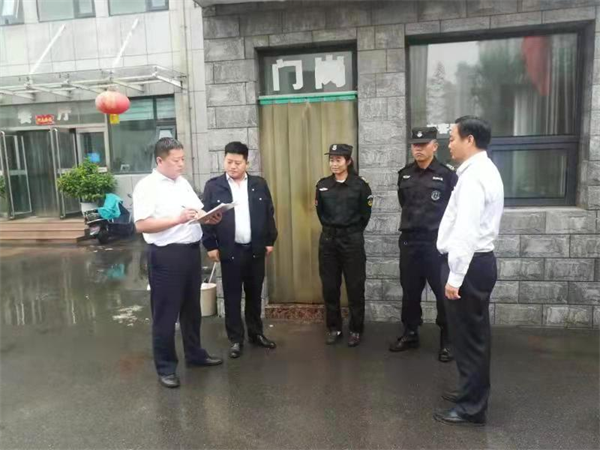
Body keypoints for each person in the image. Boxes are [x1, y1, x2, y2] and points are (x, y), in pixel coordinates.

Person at [133, 137, 223, 389]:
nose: (181, 164)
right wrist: (177, 219)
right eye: (176, 160)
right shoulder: (147, 187)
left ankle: (195, 354)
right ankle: (166, 367)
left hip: (190, 253)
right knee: (165, 314)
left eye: (183, 159)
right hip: (166, 256)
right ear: (160, 160)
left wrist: (208, 218)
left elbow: (196, 212)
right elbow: (141, 225)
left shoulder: (182, 183)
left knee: (192, 310)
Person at [434, 116, 504, 426]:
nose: (449, 144)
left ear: (469, 140)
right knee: (469, 336)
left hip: (470, 266)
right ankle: (469, 392)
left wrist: (455, 277)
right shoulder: (480, 170)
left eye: (452, 138)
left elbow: (466, 232)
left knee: (470, 339)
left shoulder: (475, 177)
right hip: (475, 264)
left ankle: (472, 408)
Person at [202, 141, 278, 359]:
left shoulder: (258, 184)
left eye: (237, 162)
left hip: (255, 249)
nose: (233, 166)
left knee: (254, 294)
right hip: (230, 250)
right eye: (229, 162)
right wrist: (210, 245)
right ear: (224, 160)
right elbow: (206, 218)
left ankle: (256, 334)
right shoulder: (214, 186)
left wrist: (269, 240)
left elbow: (268, 213)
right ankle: (236, 339)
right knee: (232, 297)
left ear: (247, 163)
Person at [389, 127, 458, 362]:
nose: (418, 149)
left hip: (435, 245)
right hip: (410, 243)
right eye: (415, 145)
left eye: (423, 144)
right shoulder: (405, 174)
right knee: (410, 292)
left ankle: (447, 340)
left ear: (435, 146)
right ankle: (410, 333)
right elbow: (404, 203)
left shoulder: (446, 175)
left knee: (442, 294)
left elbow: (454, 210)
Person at [315, 144, 373, 347]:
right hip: (329, 241)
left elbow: (365, 215)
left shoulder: (360, 185)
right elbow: (321, 213)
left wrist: (351, 232)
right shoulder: (323, 185)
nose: (334, 164)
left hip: (352, 240)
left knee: (355, 286)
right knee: (330, 287)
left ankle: (356, 329)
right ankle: (334, 327)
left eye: (338, 160)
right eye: (331, 159)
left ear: (348, 161)